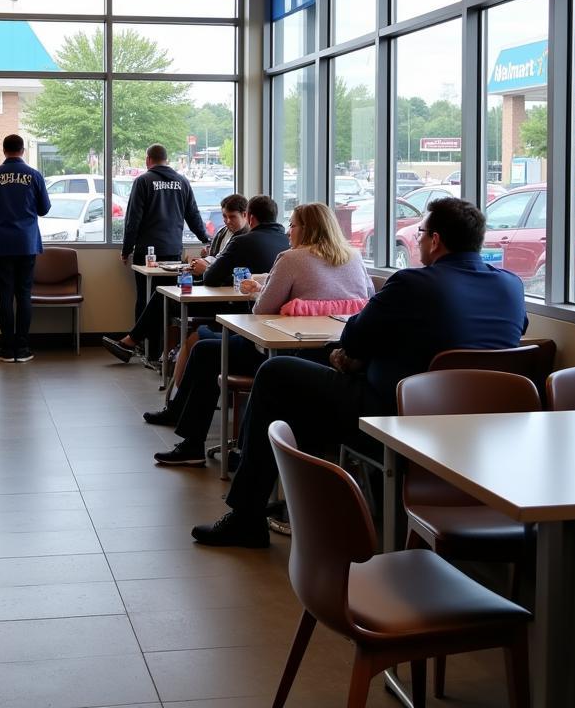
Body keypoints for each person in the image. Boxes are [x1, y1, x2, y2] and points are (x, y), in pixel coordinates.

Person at [190, 197, 528, 547]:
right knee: (306, 391)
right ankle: (304, 491)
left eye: (422, 231)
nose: (420, 239)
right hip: (484, 430)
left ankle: (249, 514)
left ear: (436, 240)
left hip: (392, 419)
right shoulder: (511, 286)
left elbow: (353, 336)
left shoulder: (412, 284)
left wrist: (352, 358)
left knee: (276, 373)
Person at [149, 203, 374, 466]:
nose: (289, 232)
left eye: (293, 225)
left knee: (205, 350)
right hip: (332, 357)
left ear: (308, 229)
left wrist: (257, 290)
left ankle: (192, 444)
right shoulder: (354, 257)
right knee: (209, 345)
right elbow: (366, 297)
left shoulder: (292, 258)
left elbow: (262, 308)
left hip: (283, 354)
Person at [103, 193, 288, 364]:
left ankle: (142, 346)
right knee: (166, 293)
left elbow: (211, 277)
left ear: (249, 216)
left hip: (233, 303)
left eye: (232, 217)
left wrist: (208, 267)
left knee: (164, 296)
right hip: (261, 310)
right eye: (225, 217)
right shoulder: (286, 243)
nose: (227, 221)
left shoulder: (244, 240)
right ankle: (152, 350)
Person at [0, 134, 51, 363]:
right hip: (27, 243)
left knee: (5, 296)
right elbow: (44, 209)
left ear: (4, 149)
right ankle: (24, 348)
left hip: (2, 243)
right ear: (23, 150)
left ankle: (7, 349)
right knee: (25, 295)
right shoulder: (34, 175)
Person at [121, 144, 210, 324]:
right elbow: (193, 215)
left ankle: (143, 344)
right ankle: (164, 344)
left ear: (148, 159)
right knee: (168, 298)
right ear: (166, 159)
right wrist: (206, 240)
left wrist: (126, 249)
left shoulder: (143, 181)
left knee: (145, 298)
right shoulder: (182, 182)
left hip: (147, 254)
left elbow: (133, 219)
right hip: (173, 253)